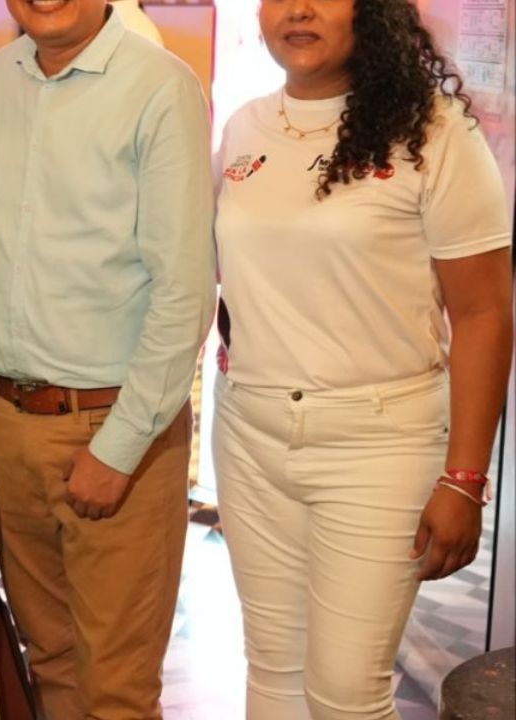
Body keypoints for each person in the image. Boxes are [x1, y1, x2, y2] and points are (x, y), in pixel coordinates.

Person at [213, 1, 513, 718]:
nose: (299, 10)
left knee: (346, 692)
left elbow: (484, 314)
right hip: (250, 435)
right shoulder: (245, 125)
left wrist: (465, 479)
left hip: (379, 444)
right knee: (273, 674)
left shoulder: (435, 132)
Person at [0, 1, 215, 718]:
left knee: (116, 688)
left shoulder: (159, 86)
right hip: (8, 419)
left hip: (112, 425)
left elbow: (184, 291)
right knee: (49, 663)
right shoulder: (0, 75)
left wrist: (120, 446)